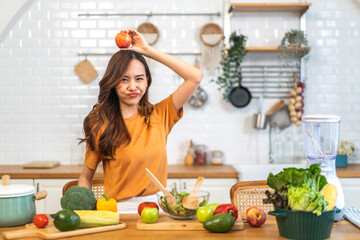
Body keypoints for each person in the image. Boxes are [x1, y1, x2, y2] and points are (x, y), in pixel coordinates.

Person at [78, 29, 203, 213]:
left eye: (139, 79)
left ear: (147, 82)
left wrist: (148, 51)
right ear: (113, 83)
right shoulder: (100, 125)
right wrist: (85, 213)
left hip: (158, 209)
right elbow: (85, 178)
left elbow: (195, 76)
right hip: (118, 212)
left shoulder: (161, 115)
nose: (133, 86)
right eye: (124, 79)